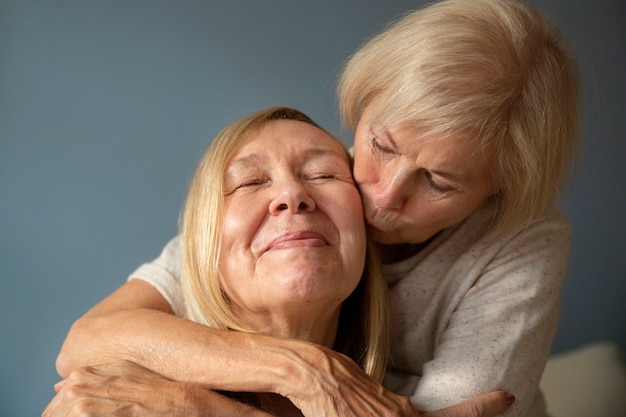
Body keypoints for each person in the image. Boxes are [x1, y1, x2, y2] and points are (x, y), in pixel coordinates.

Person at [51, 0, 579, 416]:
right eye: (381, 146)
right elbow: (89, 339)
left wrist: (196, 409)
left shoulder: (519, 241)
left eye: (438, 182)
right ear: (363, 103)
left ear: (496, 190)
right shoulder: (283, 208)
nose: (383, 194)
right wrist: (303, 369)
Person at [44, 107, 514, 417]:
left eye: (324, 174)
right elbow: (81, 343)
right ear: (203, 248)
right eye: (249, 183)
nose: (292, 195)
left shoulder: (398, 402)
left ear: (368, 226)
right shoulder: (121, 400)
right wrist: (303, 369)